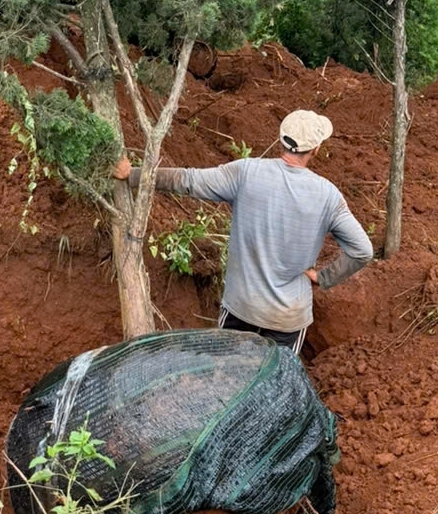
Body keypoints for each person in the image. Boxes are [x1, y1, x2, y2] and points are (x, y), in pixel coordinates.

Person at [113, 110, 373, 355]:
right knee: (278, 385)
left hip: (242, 307)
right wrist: (323, 277)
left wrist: (133, 174)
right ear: (315, 149)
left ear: (281, 139)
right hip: (288, 318)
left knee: (231, 379)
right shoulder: (328, 196)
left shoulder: (246, 173)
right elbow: (362, 250)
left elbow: (188, 181)